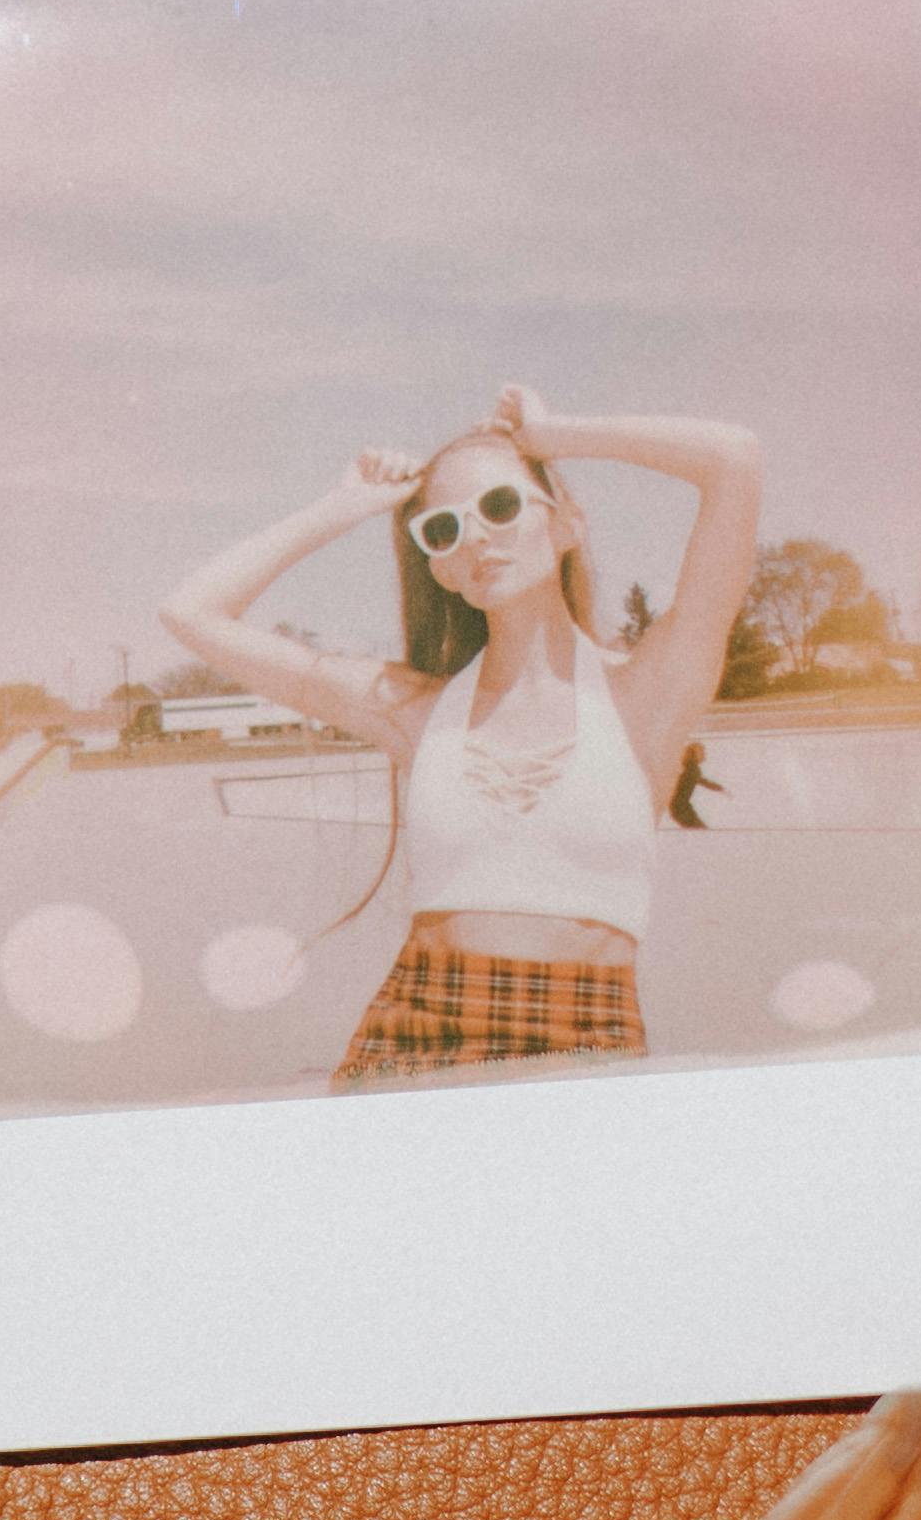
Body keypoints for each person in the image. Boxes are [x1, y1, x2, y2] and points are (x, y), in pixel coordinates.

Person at [153, 382, 767, 1082]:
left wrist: (555, 434)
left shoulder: (646, 698)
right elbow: (191, 612)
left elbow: (733, 459)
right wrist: (343, 507)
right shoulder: (413, 710)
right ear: (441, 568)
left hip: (588, 1037)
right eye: (442, 529)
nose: (474, 536)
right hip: (412, 1036)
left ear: (567, 524)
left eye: (500, 506)